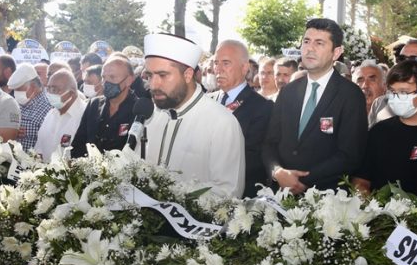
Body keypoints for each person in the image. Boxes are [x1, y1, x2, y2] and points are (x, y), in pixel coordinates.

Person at [263, 18, 368, 194]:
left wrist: (300, 181)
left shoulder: (350, 95)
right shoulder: (288, 91)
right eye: (306, 41)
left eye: (319, 43)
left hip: (324, 199)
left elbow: (350, 155)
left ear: (336, 52)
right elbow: (269, 143)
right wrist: (277, 171)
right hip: (280, 194)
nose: (309, 48)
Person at [142, 33, 245, 198]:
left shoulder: (222, 123)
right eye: (149, 75)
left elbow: (228, 193)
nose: (153, 84)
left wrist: (172, 197)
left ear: (188, 75)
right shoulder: (150, 114)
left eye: (162, 75)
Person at [353, 60, 417, 208]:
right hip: (378, 220)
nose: (396, 98)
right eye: (393, 92)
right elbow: (360, 180)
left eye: (404, 92)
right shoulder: (378, 131)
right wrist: (374, 209)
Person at [210, 40, 272, 198]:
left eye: (226, 63)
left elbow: (251, 156)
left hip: (240, 195)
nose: (218, 69)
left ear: (245, 68)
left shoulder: (261, 107)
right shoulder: (207, 101)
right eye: (216, 63)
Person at [71, 55, 137, 158]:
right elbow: (78, 143)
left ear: (129, 80)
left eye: (112, 77)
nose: (106, 82)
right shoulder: (94, 104)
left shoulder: (138, 111)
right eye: (103, 77)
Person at [34, 69, 86, 160]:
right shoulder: (51, 114)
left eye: (54, 89)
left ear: (72, 92)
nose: (49, 93)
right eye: (48, 88)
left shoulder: (85, 115)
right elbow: (39, 149)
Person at [7, 63, 52, 149]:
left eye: (19, 90)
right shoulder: (15, 103)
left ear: (33, 86)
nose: (17, 94)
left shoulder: (48, 107)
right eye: (15, 91)